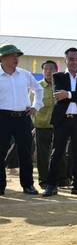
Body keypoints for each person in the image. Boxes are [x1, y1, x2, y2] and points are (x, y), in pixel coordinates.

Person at [43, 47, 77, 197]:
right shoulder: (58, 76)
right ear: (65, 60)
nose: (74, 62)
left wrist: (69, 94)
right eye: (71, 59)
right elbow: (59, 95)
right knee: (56, 153)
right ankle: (51, 185)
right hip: (62, 120)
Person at [0, 44, 43, 195]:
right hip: (2, 117)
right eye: (12, 55)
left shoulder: (24, 74)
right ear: (2, 58)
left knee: (25, 152)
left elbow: (38, 89)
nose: (16, 58)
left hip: (23, 117)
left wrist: (36, 106)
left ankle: (28, 185)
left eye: (17, 55)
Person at [32, 60, 58, 188]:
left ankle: (59, 179)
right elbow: (30, 108)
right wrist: (33, 125)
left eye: (51, 69)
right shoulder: (37, 87)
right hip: (42, 126)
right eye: (46, 69)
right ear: (42, 71)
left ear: (56, 70)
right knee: (42, 156)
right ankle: (43, 180)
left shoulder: (61, 86)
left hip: (58, 127)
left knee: (59, 155)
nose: (49, 71)